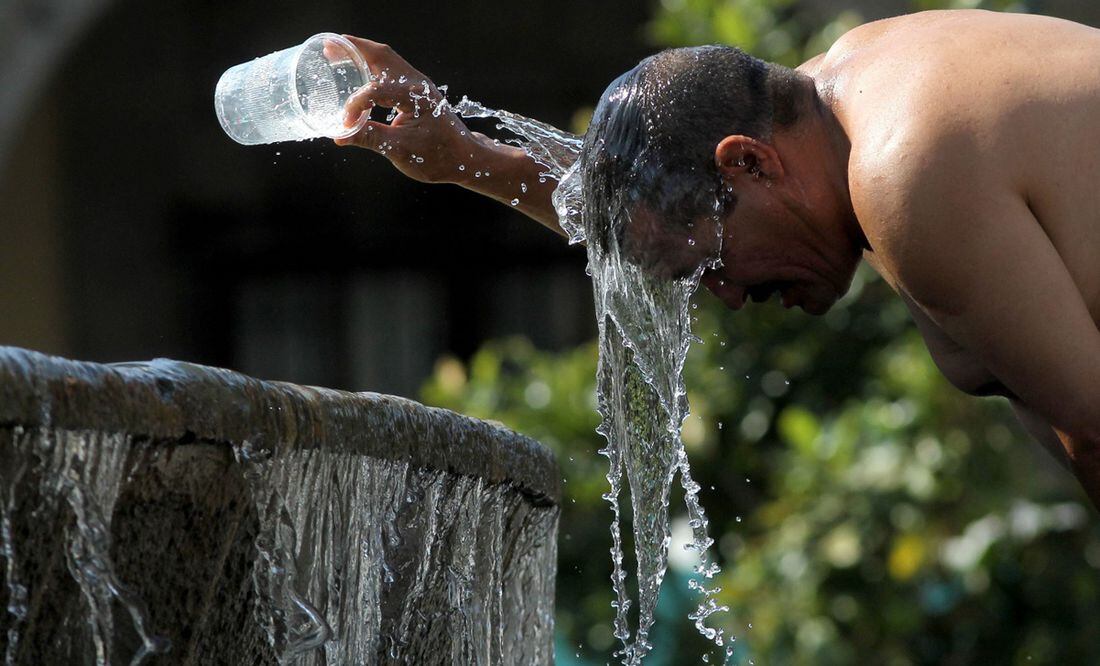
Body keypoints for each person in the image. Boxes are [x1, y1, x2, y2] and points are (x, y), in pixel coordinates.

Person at [332, 9, 1100, 510]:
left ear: (751, 163)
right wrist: (463, 154)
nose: (727, 295)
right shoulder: (845, 93)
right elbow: (654, 206)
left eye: (709, 265)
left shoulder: (904, 176)